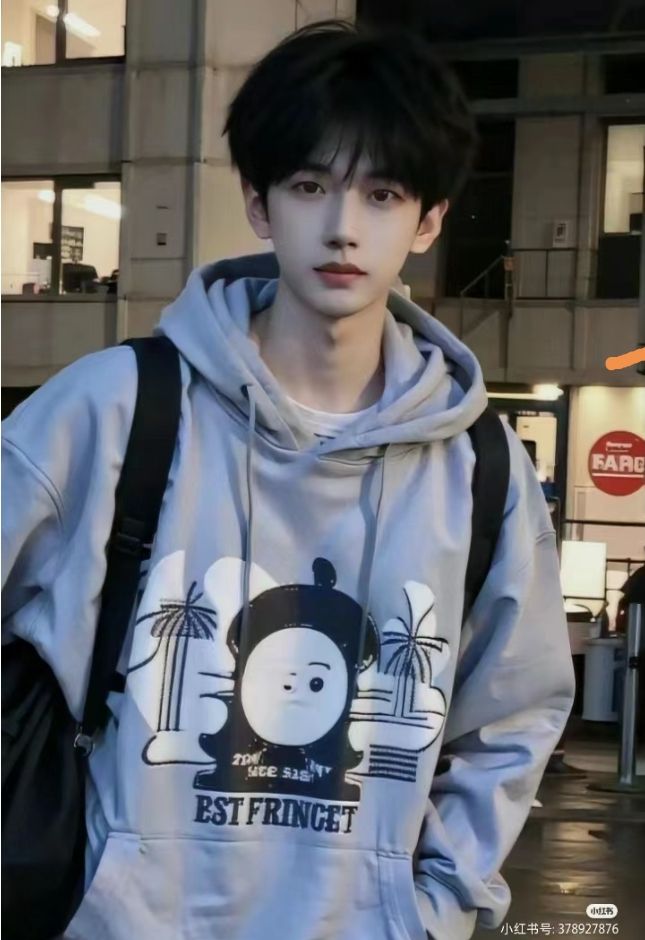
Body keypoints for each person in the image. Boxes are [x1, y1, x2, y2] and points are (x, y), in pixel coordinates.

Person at [2, 19, 575, 940]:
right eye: (310, 187)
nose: (342, 227)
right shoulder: (111, 411)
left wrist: (433, 907)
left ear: (428, 219)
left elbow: (511, 717)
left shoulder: (480, 467)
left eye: (381, 194)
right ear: (259, 204)